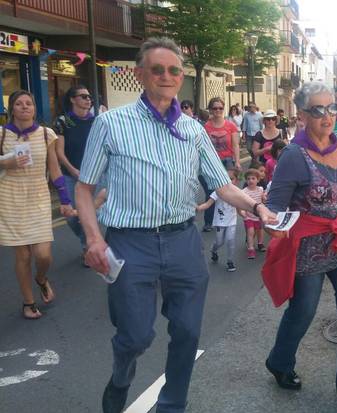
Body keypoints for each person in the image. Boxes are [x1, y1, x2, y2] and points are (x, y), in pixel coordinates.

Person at [75, 37, 276, 413]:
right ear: (140, 75)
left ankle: (172, 406)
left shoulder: (193, 130)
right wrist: (92, 239)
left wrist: (257, 209)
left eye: (173, 70)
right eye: (157, 69)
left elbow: (223, 185)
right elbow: (84, 189)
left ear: (180, 77)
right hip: (130, 244)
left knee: (186, 331)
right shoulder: (110, 123)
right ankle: (121, 380)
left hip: (183, 240)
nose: (166, 76)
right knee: (134, 336)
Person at [261, 81, 337, 407]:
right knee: (303, 312)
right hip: (310, 250)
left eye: (332, 108)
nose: (328, 116)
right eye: (318, 110)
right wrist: (272, 222)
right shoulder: (293, 156)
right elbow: (275, 204)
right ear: (302, 115)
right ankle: (280, 362)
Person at [0, 90, 74, 319]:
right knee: (22, 256)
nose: (24, 107)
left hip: (38, 196)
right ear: (12, 108)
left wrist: (64, 200)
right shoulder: (2, 134)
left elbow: (54, 169)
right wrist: (8, 162)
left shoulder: (46, 134)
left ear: (34, 108)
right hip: (9, 197)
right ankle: (28, 302)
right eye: (19, 104)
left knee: (43, 255)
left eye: (29, 103)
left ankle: (41, 278)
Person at [53, 84, 96, 265]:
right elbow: (59, 152)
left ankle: (89, 247)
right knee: (72, 216)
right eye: (83, 96)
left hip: (94, 175)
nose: (88, 100)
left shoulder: (97, 121)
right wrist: (73, 170)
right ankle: (88, 240)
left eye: (89, 97)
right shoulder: (63, 122)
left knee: (92, 213)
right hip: (71, 175)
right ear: (72, 99)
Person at [199, 97, 241, 232]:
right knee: (211, 193)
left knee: (227, 192)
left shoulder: (231, 126)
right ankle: (208, 222)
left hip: (227, 161)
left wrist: (238, 162)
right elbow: (202, 147)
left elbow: (235, 145)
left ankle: (227, 220)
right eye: (215, 108)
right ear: (210, 110)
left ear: (223, 109)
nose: (218, 110)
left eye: (220, 108)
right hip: (211, 163)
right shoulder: (205, 127)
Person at [197, 168, 240, 272]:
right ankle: (213, 250)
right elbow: (207, 204)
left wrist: (246, 213)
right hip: (220, 221)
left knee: (230, 240)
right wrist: (197, 208)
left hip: (232, 221)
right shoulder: (218, 192)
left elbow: (241, 206)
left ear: (236, 180)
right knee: (219, 241)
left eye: (231, 179)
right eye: (226, 179)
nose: (229, 181)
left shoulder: (238, 193)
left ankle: (230, 261)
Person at [241, 168, 266, 258]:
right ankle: (251, 249)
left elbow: (263, 200)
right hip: (249, 215)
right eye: (248, 179)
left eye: (253, 178)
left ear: (258, 180)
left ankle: (260, 243)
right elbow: (242, 203)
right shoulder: (244, 192)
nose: (250, 180)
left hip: (259, 215)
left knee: (260, 230)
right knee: (250, 232)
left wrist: (264, 198)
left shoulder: (260, 189)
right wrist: (243, 212)